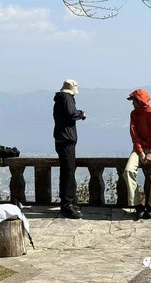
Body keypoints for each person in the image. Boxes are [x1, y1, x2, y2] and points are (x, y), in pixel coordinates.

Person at [123, 88, 151, 220]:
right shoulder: (134, 114)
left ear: (139, 101)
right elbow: (134, 135)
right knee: (128, 171)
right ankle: (137, 204)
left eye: (133, 101)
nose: (132, 104)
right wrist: (140, 152)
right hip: (139, 149)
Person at [53, 79, 86, 219]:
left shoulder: (61, 98)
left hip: (62, 138)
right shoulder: (66, 98)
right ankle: (67, 205)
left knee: (67, 171)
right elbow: (71, 113)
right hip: (66, 140)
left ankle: (70, 201)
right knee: (68, 172)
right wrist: (81, 114)